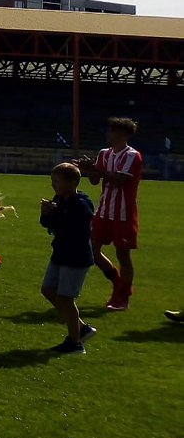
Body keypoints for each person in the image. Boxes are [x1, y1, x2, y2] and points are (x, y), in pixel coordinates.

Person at [72, 117, 143, 310]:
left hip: (123, 214)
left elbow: (119, 180)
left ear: (122, 134)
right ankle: (118, 282)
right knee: (92, 250)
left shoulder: (132, 156)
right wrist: (88, 170)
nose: (108, 134)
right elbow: (96, 180)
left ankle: (123, 296)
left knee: (123, 255)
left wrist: (95, 168)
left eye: (111, 131)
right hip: (104, 211)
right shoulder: (105, 153)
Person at [39, 163, 96, 354]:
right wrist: (46, 214)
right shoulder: (58, 199)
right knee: (48, 289)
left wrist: (56, 212)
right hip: (60, 254)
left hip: (76, 256)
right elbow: (50, 225)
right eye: (52, 181)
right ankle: (81, 328)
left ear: (71, 183)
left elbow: (75, 225)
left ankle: (75, 342)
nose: (53, 185)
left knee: (66, 298)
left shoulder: (82, 203)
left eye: (57, 181)